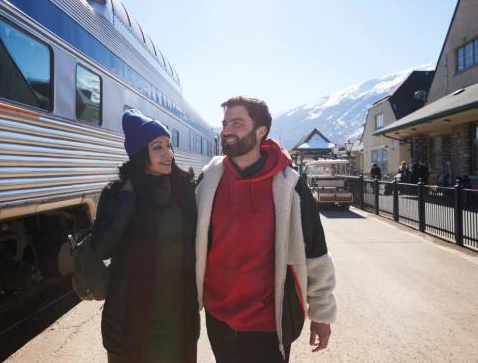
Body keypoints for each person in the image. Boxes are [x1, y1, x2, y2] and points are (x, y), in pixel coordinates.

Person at [195, 96, 336, 363]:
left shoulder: (289, 185)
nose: (227, 130)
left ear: (261, 130)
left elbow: (316, 250)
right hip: (218, 317)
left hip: (269, 322)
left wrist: (322, 314)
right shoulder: (209, 178)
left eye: (237, 123)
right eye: (225, 123)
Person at [91, 109, 199, 363]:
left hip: (178, 316)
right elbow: (102, 248)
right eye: (158, 147)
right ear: (141, 154)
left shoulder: (183, 189)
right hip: (131, 316)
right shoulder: (118, 193)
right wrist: (127, 202)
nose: (168, 153)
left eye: (169, 145)